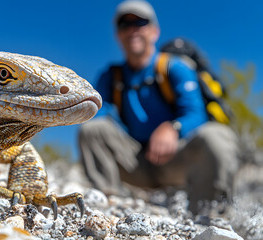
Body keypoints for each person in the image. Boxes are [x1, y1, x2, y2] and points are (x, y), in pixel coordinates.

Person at [78, 0, 240, 213]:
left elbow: (195, 113)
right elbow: (97, 112)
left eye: (140, 23)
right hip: (136, 163)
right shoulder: (111, 77)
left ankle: (210, 218)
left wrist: (174, 128)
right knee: (91, 130)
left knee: (217, 136)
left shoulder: (174, 68)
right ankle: (106, 210)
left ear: (154, 32)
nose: (132, 30)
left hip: (176, 160)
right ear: (118, 35)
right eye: (124, 25)